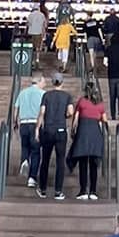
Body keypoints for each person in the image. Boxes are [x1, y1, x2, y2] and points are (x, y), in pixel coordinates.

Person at [35, 72, 73, 200]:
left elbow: (42, 113)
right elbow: (70, 112)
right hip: (61, 130)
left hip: (48, 130)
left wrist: (37, 128)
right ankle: (58, 191)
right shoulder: (67, 96)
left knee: (45, 160)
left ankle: (42, 189)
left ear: (52, 82)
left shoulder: (46, 95)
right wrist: (65, 116)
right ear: (62, 82)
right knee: (60, 161)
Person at [69, 80, 107, 201]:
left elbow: (75, 118)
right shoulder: (100, 104)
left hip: (83, 133)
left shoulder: (82, 101)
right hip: (95, 134)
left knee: (83, 163)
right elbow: (104, 119)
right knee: (94, 164)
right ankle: (93, 191)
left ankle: (83, 191)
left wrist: (73, 131)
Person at [15, 73, 45, 186]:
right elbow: (43, 110)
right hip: (35, 123)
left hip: (23, 123)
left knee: (25, 147)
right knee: (36, 151)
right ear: (39, 81)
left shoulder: (22, 92)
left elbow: (16, 108)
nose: (44, 84)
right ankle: (32, 177)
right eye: (43, 82)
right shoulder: (43, 94)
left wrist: (15, 121)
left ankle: (25, 161)